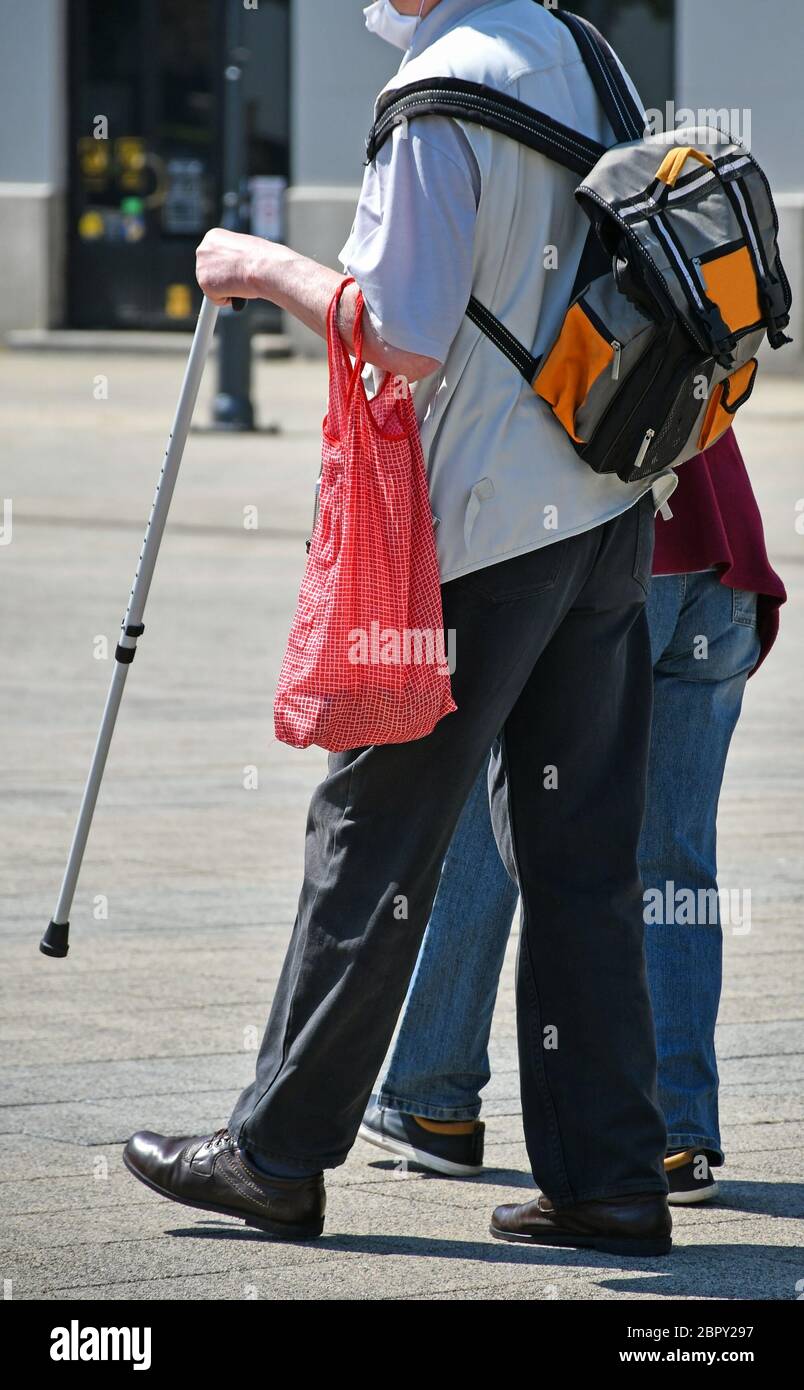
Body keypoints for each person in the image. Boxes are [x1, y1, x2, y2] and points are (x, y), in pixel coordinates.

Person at [123, 0, 681, 1255]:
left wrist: (258, 267)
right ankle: (611, 1180)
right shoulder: (578, 46)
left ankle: (275, 1156)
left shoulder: (433, 96)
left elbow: (403, 335)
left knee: (370, 833)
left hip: (480, 526)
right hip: (607, 506)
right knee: (583, 857)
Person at [359, 428, 786, 1204]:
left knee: (491, 821)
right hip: (724, 560)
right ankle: (674, 1135)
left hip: (603, 556)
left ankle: (432, 1098)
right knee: (673, 861)